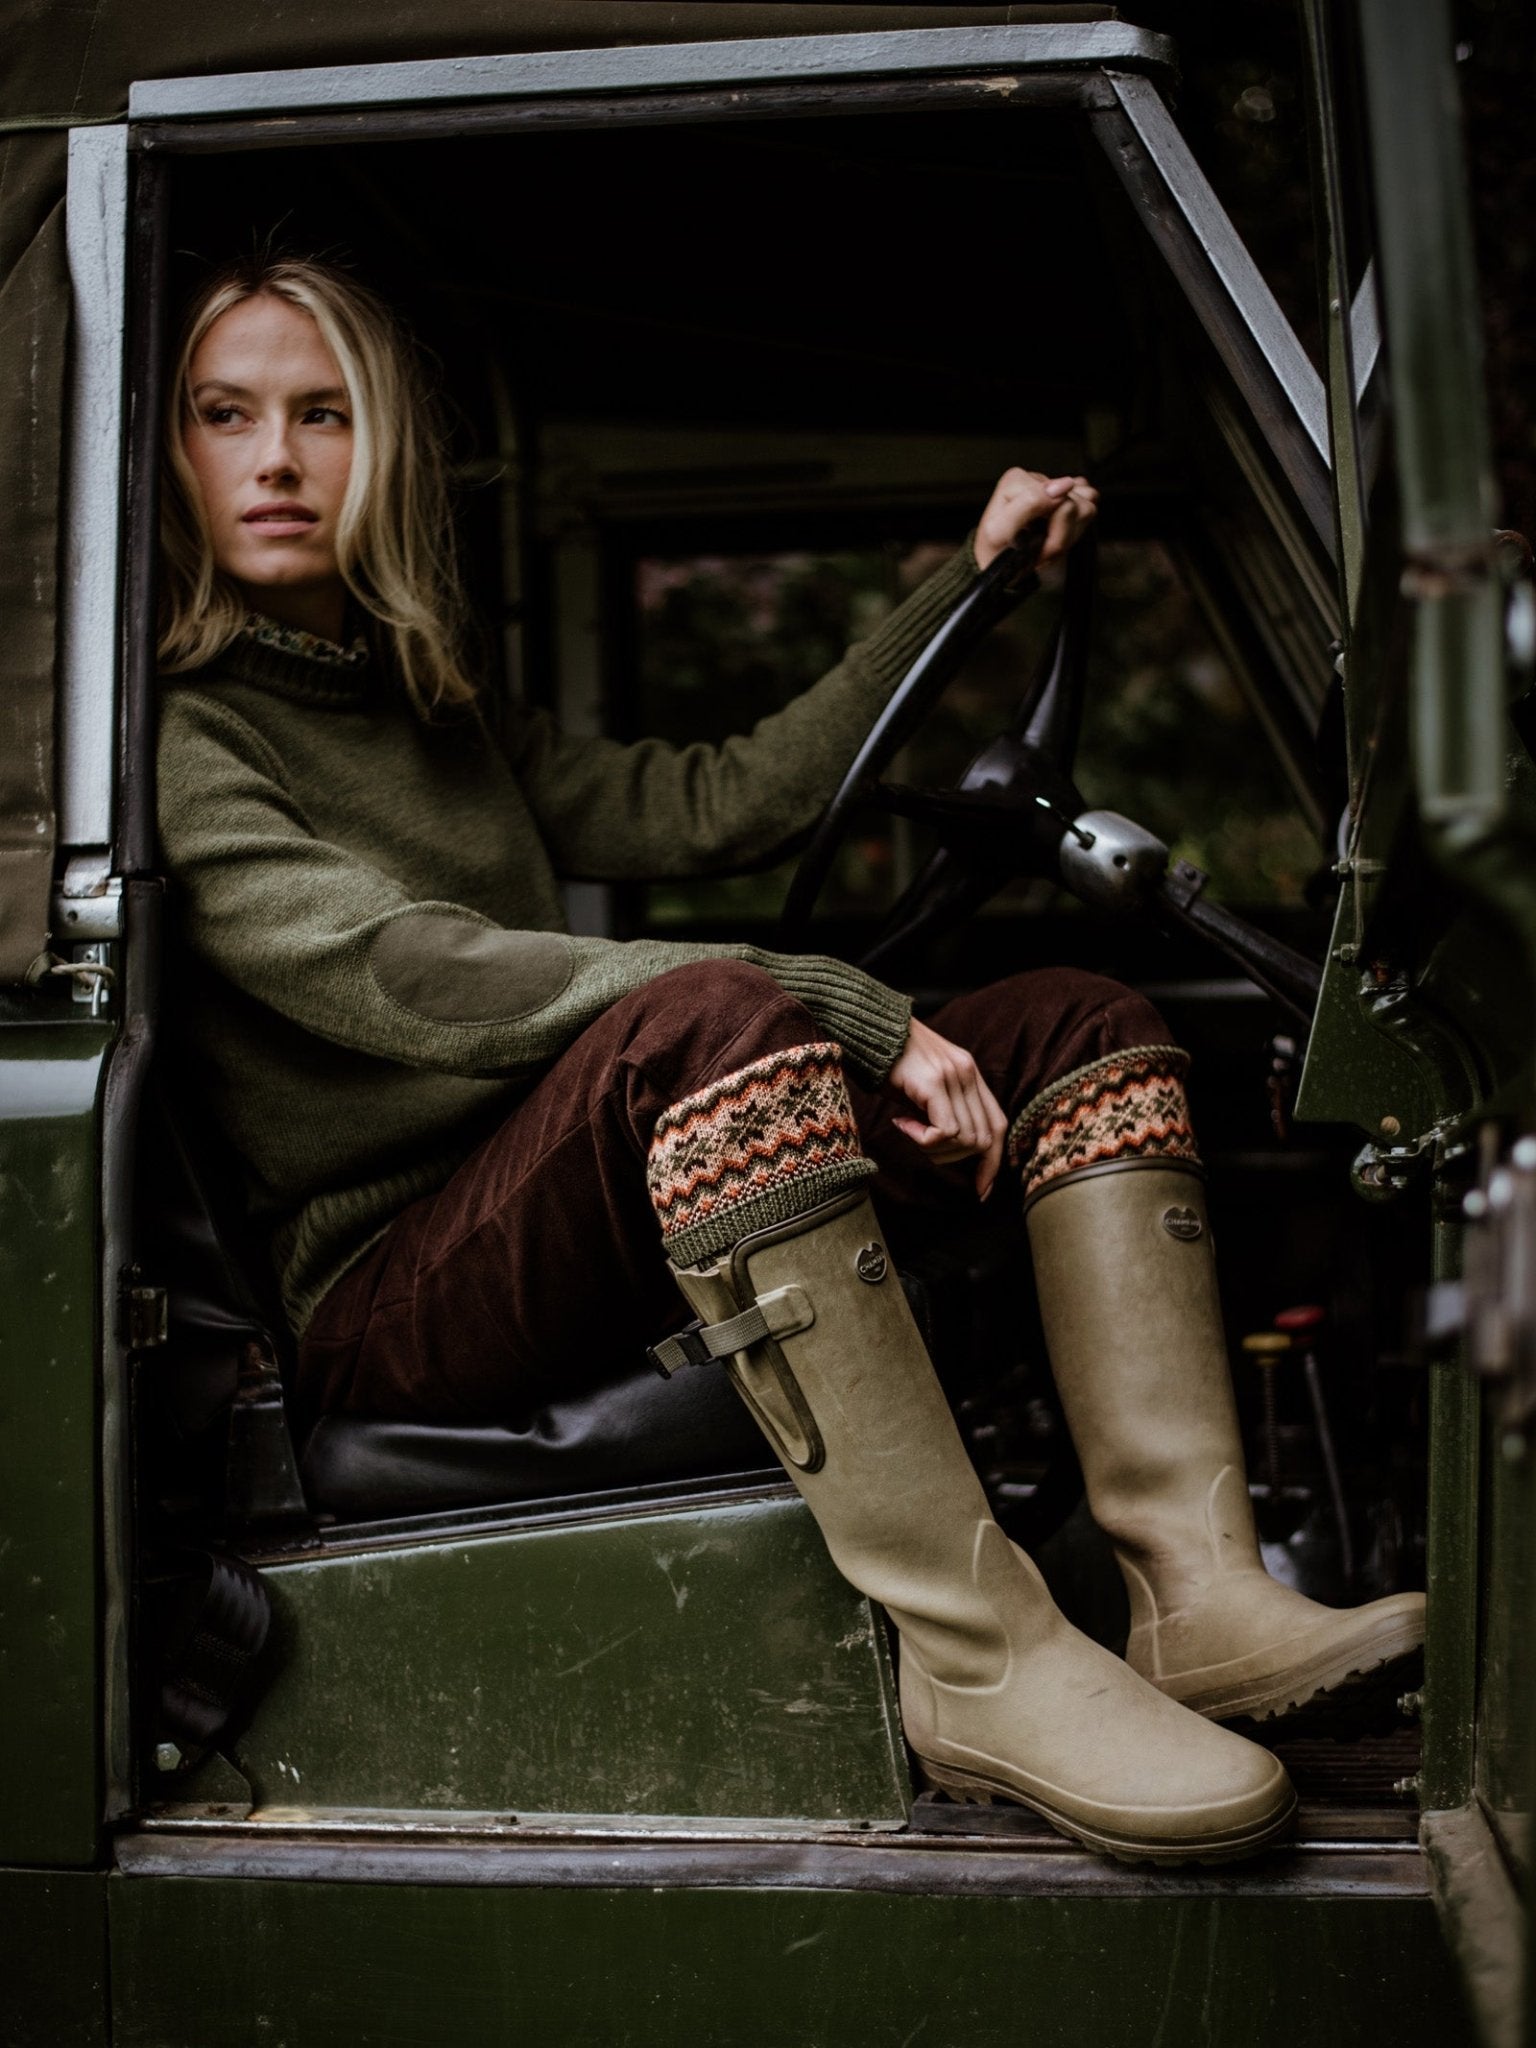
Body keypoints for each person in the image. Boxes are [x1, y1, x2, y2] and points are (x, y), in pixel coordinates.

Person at [156, 257, 1424, 1866]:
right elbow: (401, 969)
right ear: (176, 452)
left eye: (321, 414)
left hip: (570, 1220)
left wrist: (967, 587)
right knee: (709, 1020)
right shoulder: (187, 738)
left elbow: (718, 800)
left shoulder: (437, 709)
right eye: (226, 416)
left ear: (383, 447)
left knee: (1074, 1022)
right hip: (390, 1297)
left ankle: (1198, 1595)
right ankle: (984, 1663)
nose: (275, 460)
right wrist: (829, 1003)